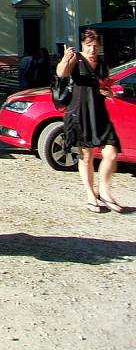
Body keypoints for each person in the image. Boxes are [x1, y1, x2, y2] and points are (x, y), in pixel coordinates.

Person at [56, 30, 124, 213]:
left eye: (95, 45)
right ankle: (90, 195)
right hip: (79, 113)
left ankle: (104, 191)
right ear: (83, 45)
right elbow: (61, 73)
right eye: (88, 45)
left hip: (99, 113)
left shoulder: (102, 64)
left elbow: (106, 85)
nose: (92, 49)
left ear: (99, 46)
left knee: (111, 153)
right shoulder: (76, 59)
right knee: (86, 156)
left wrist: (109, 93)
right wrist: (65, 58)